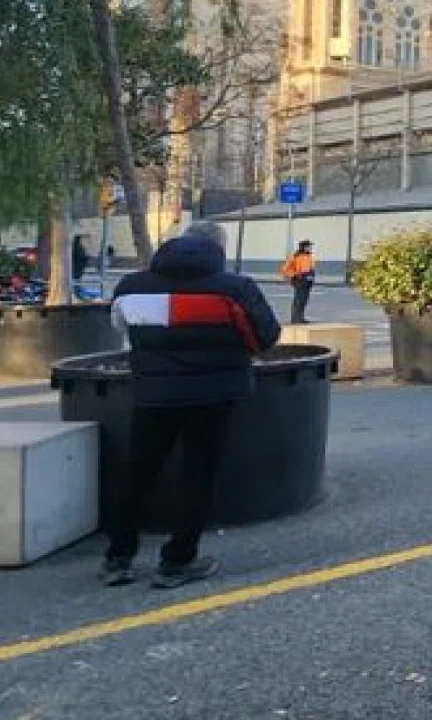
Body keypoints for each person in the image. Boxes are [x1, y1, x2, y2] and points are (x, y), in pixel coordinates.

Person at [103, 221, 280, 589]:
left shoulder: (131, 286)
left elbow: (122, 328)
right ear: (219, 249)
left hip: (152, 394)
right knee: (197, 475)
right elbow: (265, 336)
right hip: (214, 395)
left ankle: (118, 558)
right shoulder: (235, 288)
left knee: (138, 471)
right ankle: (177, 561)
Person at [281, 240, 316, 323]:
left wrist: (311, 276)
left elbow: (311, 268)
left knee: (304, 300)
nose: (310, 248)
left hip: (308, 280)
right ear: (303, 247)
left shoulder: (310, 256)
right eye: (308, 246)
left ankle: (300, 317)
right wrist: (294, 275)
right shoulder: (295, 256)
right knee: (298, 300)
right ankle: (295, 318)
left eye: (310, 246)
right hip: (299, 280)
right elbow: (285, 269)